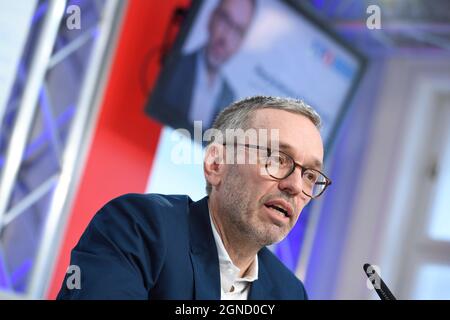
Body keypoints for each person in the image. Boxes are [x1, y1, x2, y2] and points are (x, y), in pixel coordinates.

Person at [57, 96, 332, 299]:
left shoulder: (290, 292)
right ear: (216, 163)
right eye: (277, 159)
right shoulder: (140, 227)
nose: (295, 185)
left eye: (310, 175)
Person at [146, 0, 256, 134]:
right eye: (225, 19)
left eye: (237, 30)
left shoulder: (230, 99)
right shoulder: (176, 70)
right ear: (211, 17)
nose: (226, 37)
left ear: (241, 42)